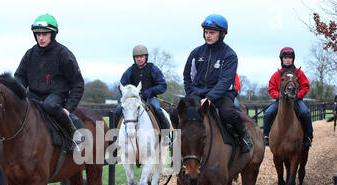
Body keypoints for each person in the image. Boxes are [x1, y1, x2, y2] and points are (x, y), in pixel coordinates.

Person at [183, 14, 252, 153]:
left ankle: (245, 136)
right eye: (206, 32)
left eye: (212, 32)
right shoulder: (196, 53)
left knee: (228, 113)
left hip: (222, 95)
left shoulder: (230, 55)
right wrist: (191, 95)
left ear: (222, 34)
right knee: (175, 113)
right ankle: (173, 145)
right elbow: (187, 76)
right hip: (197, 94)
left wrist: (209, 98)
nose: (207, 35)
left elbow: (225, 81)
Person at [14, 14, 84, 148]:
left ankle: (74, 135)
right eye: (38, 34)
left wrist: (68, 109)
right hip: (33, 96)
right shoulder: (29, 54)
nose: (40, 37)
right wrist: (20, 89)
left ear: (52, 34)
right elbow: (19, 78)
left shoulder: (64, 54)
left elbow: (78, 84)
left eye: (45, 34)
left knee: (49, 105)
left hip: (56, 97)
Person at [263, 47, 313, 147]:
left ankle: (308, 137)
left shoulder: (299, 73)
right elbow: (271, 88)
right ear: (281, 59)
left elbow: (305, 86)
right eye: (285, 57)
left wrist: (298, 96)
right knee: (268, 113)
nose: (287, 59)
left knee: (305, 113)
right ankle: (266, 136)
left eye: (290, 57)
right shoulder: (277, 74)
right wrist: (278, 96)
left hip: (296, 100)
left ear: (293, 59)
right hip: (281, 101)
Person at [114, 45, 170, 133]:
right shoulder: (130, 70)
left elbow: (163, 85)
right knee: (117, 110)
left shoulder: (153, 69)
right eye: (136, 57)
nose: (139, 59)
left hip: (150, 99)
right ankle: (114, 137)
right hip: (132, 100)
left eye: (141, 57)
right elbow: (122, 86)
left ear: (146, 57)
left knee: (158, 110)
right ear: (134, 58)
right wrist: (129, 95)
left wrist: (151, 91)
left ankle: (165, 135)